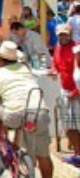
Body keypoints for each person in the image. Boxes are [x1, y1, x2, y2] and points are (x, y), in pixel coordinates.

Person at [0, 41, 53, 178]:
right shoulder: (25, 67)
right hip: (38, 112)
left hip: (15, 115)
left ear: (0, 58)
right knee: (44, 155)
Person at [50, 24, 80, 167]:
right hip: (65, 91)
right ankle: (78, 154)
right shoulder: (57, 47)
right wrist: (53, 69)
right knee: (67, 125)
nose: (63, 37)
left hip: (77, 92)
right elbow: (55, 64)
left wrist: (76, 91)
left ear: (70, 34)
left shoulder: (77, 49)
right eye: (61, 34)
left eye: (65, 34)